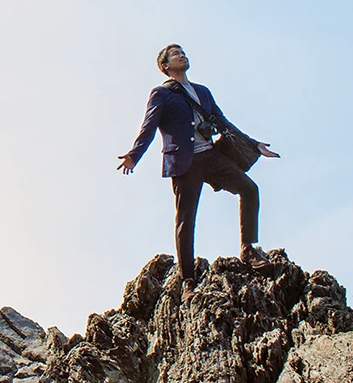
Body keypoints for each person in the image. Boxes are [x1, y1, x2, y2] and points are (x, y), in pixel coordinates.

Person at [117, 44, 279, 299]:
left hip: (211, 156)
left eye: (182, 51)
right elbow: (149, 127)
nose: (182, 55)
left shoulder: (202, 91)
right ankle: (188, 281)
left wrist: (253, 144)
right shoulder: (161, 93)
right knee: (186, 220)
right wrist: (133, 155)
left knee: (249, 189)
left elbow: (223, 122)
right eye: (175, 54)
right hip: (184, 162)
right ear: (165, 66)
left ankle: (248, 249)